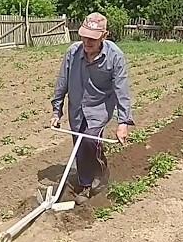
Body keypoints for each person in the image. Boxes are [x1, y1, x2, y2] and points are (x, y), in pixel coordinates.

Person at [50, 12, 134, 205]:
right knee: (79, 145)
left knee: (89, 140)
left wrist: (123, 123)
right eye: (84, 36)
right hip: (77, 108)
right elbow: (62, 82)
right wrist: (56, 111)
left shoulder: (115, 56)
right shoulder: (73, 52)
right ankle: (84, 181)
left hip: (100, 107)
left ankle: (94, 177)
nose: (87, 41)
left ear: (104, 36)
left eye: (93, 38)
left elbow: (121, 90)